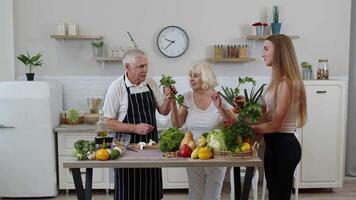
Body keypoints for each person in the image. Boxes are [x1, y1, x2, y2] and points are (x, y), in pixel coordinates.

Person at [103, 48, 171, 200]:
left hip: (152, 148)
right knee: (128, 193)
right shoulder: (117, 87)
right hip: (127, 151)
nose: (145, 70)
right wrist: (135, 128)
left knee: (151, 192)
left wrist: (169, 99)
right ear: (127, 67)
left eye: (146, 65)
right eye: (140, 67)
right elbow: (107, 122)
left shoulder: (150, 83)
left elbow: (164, 111)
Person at [251, 34, 307, 200]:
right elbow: (268, 115)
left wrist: (247, 127)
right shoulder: (275, 82)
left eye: (266, 49)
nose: (263, 54)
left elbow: (275, 125)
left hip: (284, 147)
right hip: (274, 146)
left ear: (280, 51)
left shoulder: (287, 83)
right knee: (274, 196)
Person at [169, 63, 235, 200]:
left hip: (216, 154)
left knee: (213, 195)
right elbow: (177, 124)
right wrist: (171, 103)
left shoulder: (219, 97)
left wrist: (220, 108)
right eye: (190, 76)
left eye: (196, 76)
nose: (191, 79)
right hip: (193, 153)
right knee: (195, 195)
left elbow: (232, 121)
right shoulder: (186, 97)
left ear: (206, 77)